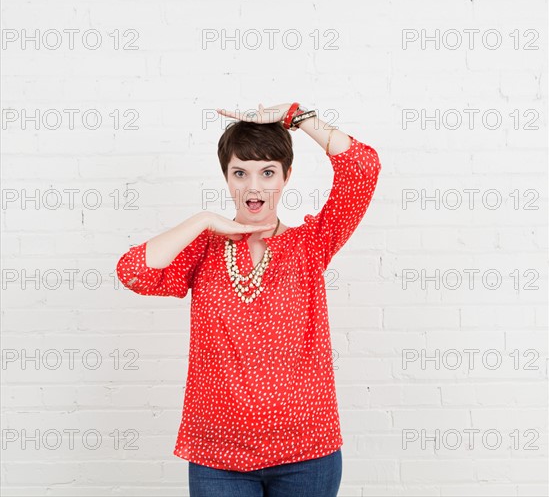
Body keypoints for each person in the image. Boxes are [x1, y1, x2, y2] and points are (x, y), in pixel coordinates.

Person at [116, 102, 382, 497]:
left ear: (287, 176)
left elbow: (362, 168)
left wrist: (296, 116)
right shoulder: (203, 248)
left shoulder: (310, 244)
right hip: (218, 457)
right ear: (226, 177)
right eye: (240, 173)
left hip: (307, 452)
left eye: (267, 172)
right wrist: (203, 221)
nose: (254, 187)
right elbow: (133, 271)